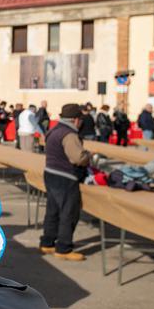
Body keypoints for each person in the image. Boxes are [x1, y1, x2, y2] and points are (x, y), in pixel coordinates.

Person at [40, 104, 91, 261]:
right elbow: (77, 158)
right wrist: (89, 156)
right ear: (76, 120)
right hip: (65, 177)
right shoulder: (69, 134)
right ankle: (63, 248)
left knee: (52, 211)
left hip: (50, 173)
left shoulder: (54, 130)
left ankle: (47, 243)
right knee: (69, 213)